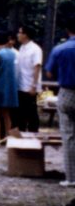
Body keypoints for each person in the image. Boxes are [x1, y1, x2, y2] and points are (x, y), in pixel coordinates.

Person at [45, 16, 75, 187]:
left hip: (67, 92)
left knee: (69, 136)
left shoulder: (60, 49)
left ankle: (71, 177)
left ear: (67, 30)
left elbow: (49, 73)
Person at [15, 26, 43, 134]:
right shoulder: (22, 47)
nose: (18, 34)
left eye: (20, 32)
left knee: (31, 112)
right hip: (20, 85)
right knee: (20, 112)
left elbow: (37, 67)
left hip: (29, 86)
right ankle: (21, 134)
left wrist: (34, 85)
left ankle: (34, 134)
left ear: (25, 35)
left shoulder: (35, 49)